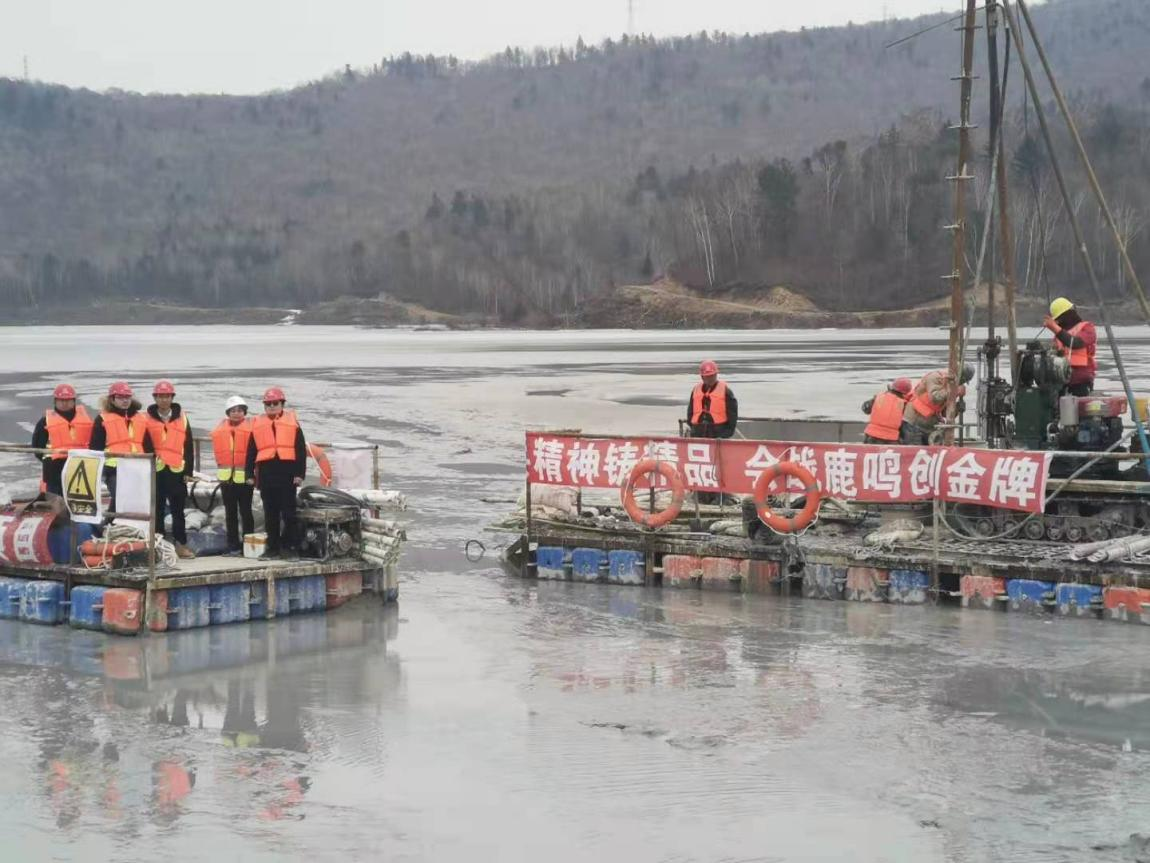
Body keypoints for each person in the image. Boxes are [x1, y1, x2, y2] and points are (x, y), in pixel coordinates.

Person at [245, 387, 306, 560]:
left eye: (275, 403)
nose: (271, 406)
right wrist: (249, 474)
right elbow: (251, 451)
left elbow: (300, 450)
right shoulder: (257, 424)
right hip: (266, 475)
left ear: (282, 404)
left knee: (289, 513)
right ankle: (272, 548)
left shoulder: (293, 424)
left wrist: (299, 474)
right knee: (270, 513)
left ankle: (290, 547)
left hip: (287, 475)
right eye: (268, 404)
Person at [144, 380, 196, 560]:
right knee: (156, 510)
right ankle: (158, 547)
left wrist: (188, 471)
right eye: (160, 396)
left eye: (167, 396)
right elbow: (144, 444)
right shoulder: (146, 418)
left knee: (178, 511)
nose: (164, 399)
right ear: (155, 398)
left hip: (176, 471)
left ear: (172, 398)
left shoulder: (182, 417)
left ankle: (181, 545)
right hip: (156, 470)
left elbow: (188, 446)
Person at [89, 381, 147, 507]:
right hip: (114, 468)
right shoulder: (102, 418)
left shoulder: (141, 418)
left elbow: (148, 444)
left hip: (138, 466)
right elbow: (95, 447)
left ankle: (114, 517)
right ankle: (113, 517)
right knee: (120, 495)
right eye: (120, 397)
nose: (125, 400)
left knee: (135, 498)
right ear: (112, 399)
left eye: (127, 397)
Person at [31, 384, 94, 495]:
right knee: (56, 500)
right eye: (61, 400)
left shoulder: (87, 420)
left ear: (74, 401)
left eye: (68, 400)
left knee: (79, 499)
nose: (65, 403)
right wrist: (49, 460)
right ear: (55, 401)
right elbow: (37, 448)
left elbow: (94, 443)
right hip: (54, 469)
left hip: (80, 466)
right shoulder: (45, 422)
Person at [212, 396, 255, 554]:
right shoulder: (220, 430)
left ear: (244, 412)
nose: (236, 413)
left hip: (245, 479)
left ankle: (248, 544)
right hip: (226, 479)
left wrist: (253, 475)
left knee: (246, 512)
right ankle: (232, 545)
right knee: (230, 513)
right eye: (233, 411)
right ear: (228, 413)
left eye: (240, 410)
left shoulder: (252, 430)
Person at [901, 365, 973, 445]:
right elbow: (935, 398)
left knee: (930, 450)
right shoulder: (935, 377)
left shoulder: (951, 387)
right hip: (913, 423)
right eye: (962, 381)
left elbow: (945, 413)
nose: (962, 384)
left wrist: (957, 408)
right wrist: (955, 391)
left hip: (929, 425)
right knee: (915, 450)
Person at [1044, 297, 1097, 396]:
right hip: (1062, 382)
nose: (1058, 322)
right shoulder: (1059, 335)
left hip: (1081, 383)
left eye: (1059, 319)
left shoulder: (1087, 327)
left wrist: (1055, 328)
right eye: (1056, 320)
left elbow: (1075, 343)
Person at [686, 360, 738, 439]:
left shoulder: (726, 391)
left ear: (716, 375)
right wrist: (693, 428)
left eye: (712, 375)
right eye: (707, 376)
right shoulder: (695, 390)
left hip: (719, 434)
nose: (710, 378)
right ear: (702, 377)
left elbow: (733, 415)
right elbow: (690, 413)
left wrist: (726, 434)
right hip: (697, 433)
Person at [862, 377, 912, 444]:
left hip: (871, 435)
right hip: (891, 439)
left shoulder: (879, 397)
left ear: (892, 387)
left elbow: (865, 409)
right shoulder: (904, 404)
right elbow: (906, 426)